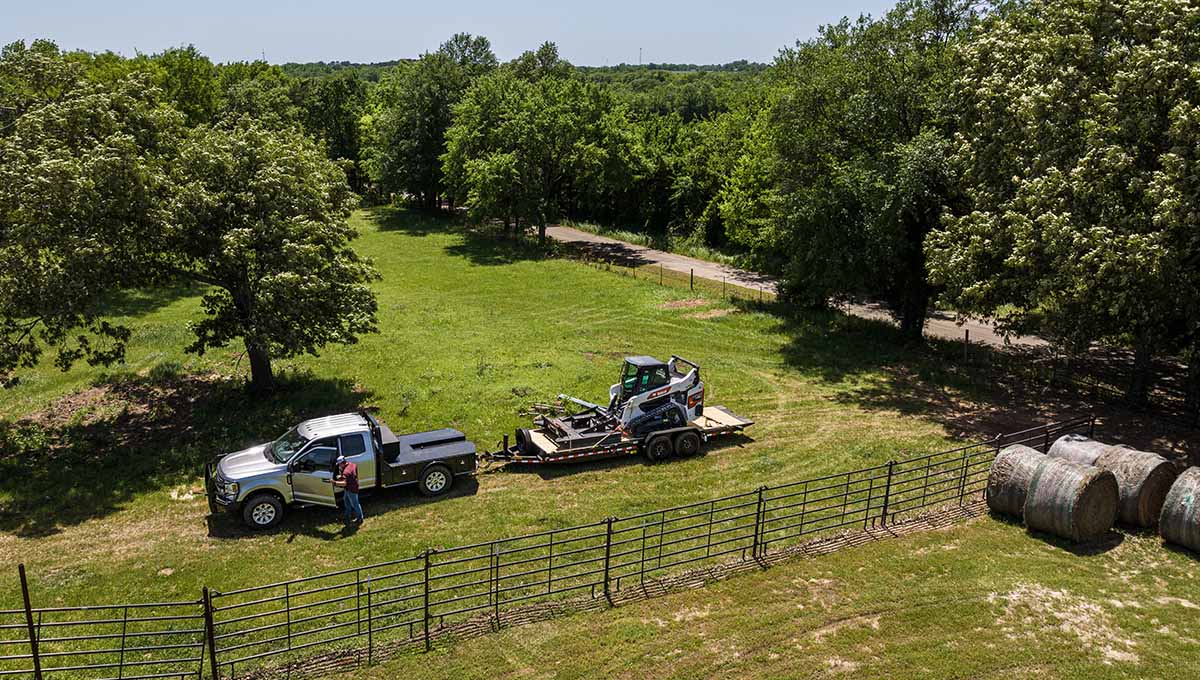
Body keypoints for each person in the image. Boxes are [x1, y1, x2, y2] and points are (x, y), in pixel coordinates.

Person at [333, 455, 364, 525]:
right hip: (351, 487)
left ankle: (360, 518)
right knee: (346, 501)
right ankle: (347, 516)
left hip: (351, 490)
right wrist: (343, 477)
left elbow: (344, 483)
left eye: (339, 464)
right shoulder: (352, 464)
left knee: (355, 504)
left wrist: (334, 482)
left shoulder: (346, 472)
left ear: (342, 463)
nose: (339, 466)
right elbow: (353, 474)